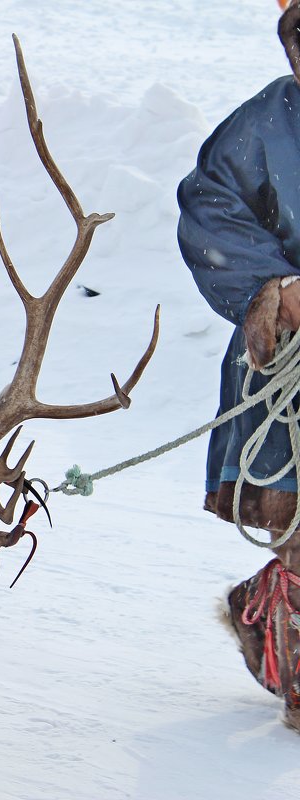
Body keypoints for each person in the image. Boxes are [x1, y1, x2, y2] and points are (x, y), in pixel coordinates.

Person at [177, 1, 300, 731]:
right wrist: (277, 289)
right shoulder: (263, 126)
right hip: (289, 356)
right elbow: (211, 208)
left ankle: (262, 612)